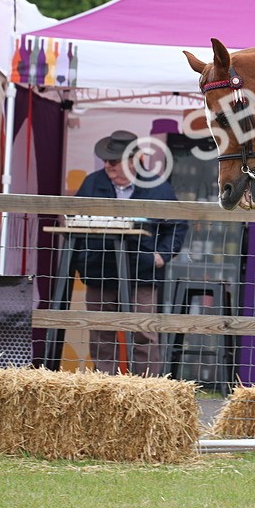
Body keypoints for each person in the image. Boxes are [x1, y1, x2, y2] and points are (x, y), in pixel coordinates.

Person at [71, 130, 187, 375]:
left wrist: (161, 256)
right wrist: (83, 257)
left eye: (113, 161)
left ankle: (146, 390)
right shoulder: (92, 183)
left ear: (133, 160)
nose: (108, 166)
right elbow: (73, 220)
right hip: (99, 270)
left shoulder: (158, 187)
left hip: (141, 272)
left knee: (144, 334)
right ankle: (106, 389)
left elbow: (177, 225)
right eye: (105, 160)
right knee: (101, 334)